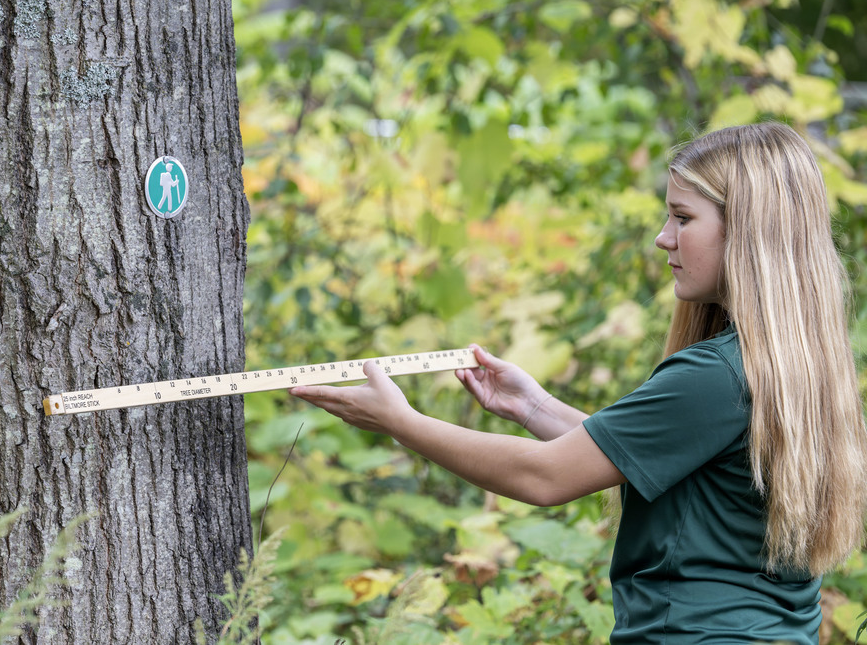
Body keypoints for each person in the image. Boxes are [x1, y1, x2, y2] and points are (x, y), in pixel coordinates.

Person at [289, 122, 867, 643]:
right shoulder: (789, 366)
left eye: (683, 218)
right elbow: (641, 456)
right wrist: (534, 405)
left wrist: (401, 422)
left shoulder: (714, 375)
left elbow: (545, 477)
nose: (663, 238)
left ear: (750, 232)